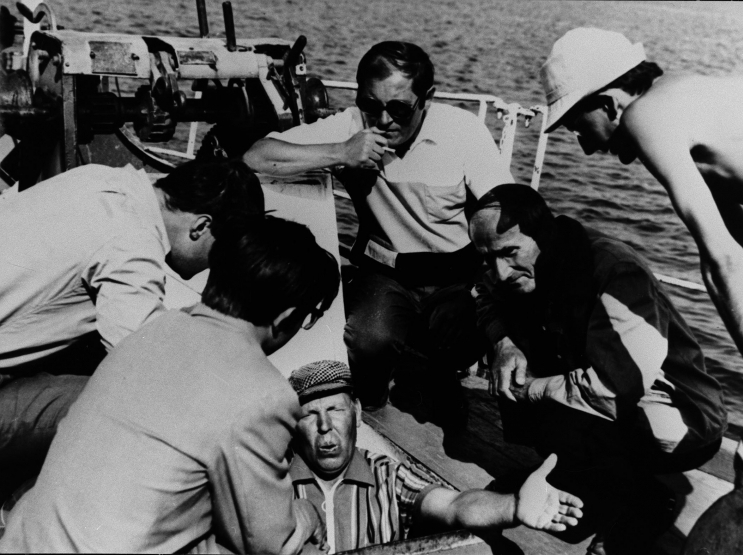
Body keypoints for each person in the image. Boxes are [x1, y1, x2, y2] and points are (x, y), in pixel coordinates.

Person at [0, 215, 340, 553]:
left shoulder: (155, 328)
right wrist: (307, 514)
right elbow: (270, 544)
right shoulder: (266, 394)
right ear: (285, 317)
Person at [244, 41, 513, 420]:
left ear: (427, 99)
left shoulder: (462, 131)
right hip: (387, 274)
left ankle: (440, 373)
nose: (384, 120)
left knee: (462, 340)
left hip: (454, 278)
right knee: (367, 340)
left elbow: (506, 213)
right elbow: (257, 155)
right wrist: (340, 151)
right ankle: (371, 406)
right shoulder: (352, 126)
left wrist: (501, 323)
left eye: (399, 108)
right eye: (371, 105)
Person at [539, 26, 743, 487]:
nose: (587, 148)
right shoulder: (684, 103)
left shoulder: (645, 117)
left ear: (611, 103)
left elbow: (723, 262)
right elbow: (742, 244)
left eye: (578, 127)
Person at [469, 184, 727, 554]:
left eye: (510, 253)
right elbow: (482, 294)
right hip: (601, 389)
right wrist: (503, 343)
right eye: (488, 258)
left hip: (683, 415)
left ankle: (645, 500)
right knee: (522, 368)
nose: (501, 271)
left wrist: (533, 389)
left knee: (579, 402)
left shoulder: (615, 270)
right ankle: (582, 475)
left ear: (543, 233)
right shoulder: (521, 263)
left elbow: (616, 386)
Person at [0, 159, 264, 499]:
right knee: (133, 407)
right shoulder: (133, 245)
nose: (209, 270)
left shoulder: (102, 179)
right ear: (201, 226)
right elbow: (144, 370)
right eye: (218, 255)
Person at [286, 359, 583, 553]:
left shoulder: (386, 474)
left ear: (357, 413)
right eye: (310, 414)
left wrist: (513, 505)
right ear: (293, 424)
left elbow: (453, 505)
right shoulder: (275, 483)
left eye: (335, 409)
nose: (325, 426)